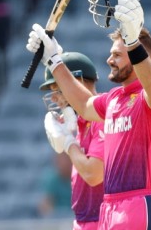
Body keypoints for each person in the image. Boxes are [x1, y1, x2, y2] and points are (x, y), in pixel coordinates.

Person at [26, 0, 151, 229]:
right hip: (110, 206)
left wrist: (132, 43)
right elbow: (83, 105)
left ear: (135, 55)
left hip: (141, 203)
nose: (109, 60)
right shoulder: (114, 100)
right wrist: (54, 60)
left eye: (117, 54)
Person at [39, 51, 104, 230]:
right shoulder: (81, 125)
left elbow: (93, 174)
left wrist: (68, 144)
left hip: (104, 222)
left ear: (79, 83)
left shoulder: (102, 118)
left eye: (58, 89)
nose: (54, 99)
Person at [38, 153, 73, 217]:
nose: (65, 163)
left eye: (67, 158)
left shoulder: (80, 178)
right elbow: (45, 204)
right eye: (61, 159)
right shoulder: (52, 179)